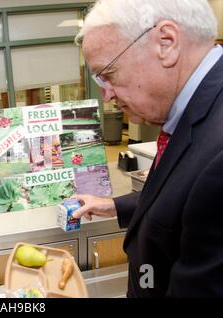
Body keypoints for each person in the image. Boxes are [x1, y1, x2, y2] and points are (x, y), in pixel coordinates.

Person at [73, 0, 223, 297]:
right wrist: (114, 206)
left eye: (109, 74)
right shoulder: (194, 112)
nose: (106, 96)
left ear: (166, 42)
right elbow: (183, 193)